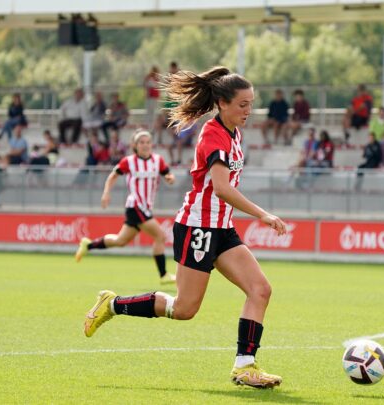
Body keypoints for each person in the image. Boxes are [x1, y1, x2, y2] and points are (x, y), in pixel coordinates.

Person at [80, 66, 286, 389]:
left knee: (260, 289)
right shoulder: (213, 134)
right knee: (184, 309)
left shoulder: (235, 133)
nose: (249, 111)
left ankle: (245, 366)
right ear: (222, 103)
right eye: (243, 104)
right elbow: (220, 187)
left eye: (251, 103)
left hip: (222, 228)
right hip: (197, 228)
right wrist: (262, 214)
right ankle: (113, 304)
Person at [75, 130, 177, 284]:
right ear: (135, 146)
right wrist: (106, 193)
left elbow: (168, 174)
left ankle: (88, 244)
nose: (145, 145)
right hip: (135, 205)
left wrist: (170, 178)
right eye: (141, 142)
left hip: (145, 208)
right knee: (160, 236)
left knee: (120, 241)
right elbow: (113, 176)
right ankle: (163, 275)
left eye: (148, 142)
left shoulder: (158, 160)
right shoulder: (129, 161)